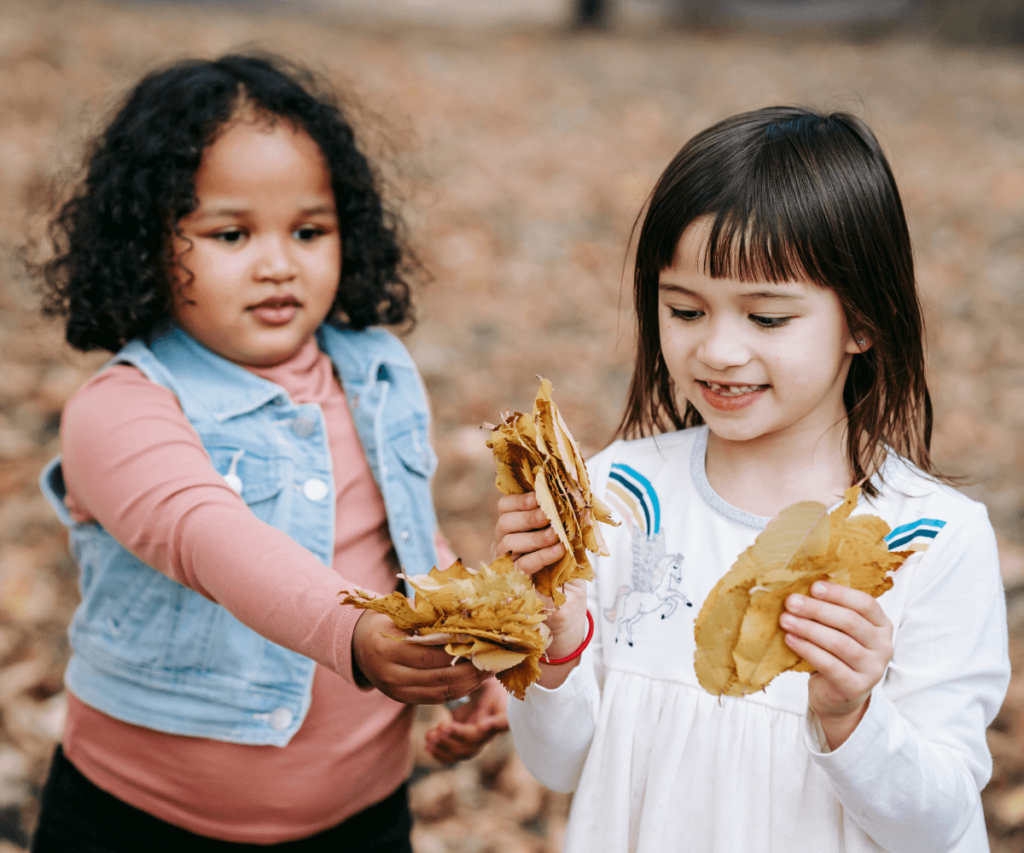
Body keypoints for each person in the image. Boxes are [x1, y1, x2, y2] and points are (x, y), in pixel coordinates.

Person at [495, 107, 1010, 853]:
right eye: (685, 309)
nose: (719, 349)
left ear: (863, 321)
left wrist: (851, 713)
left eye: (767, 317)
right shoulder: (621, 497)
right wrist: (555, 634)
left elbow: (936, 825)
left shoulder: (929, 539)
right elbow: (560, 764)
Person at [32, 53, 505, 851]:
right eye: (231, 233)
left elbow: (409, 535)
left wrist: (467, 658)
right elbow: (212, 538)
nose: (279, 262)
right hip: (143, 819)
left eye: (309, 230)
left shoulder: (374, 369)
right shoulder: (119, 410)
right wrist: (353, 634)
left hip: (362, 816)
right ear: (147, 241)